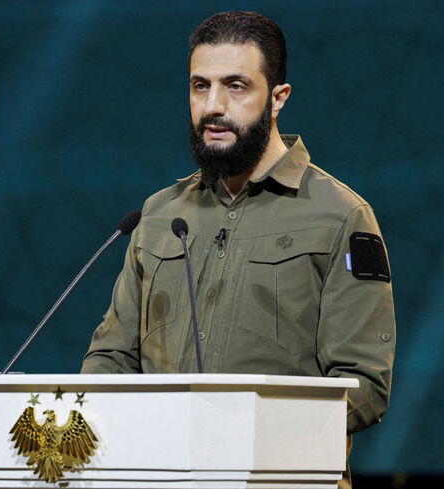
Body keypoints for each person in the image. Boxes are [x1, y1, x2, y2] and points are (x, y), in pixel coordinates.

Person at [80, 11, 395, 489]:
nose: (213, 106)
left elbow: (364, 387)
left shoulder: (342, 217)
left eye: (236, 86)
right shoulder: (158, 214)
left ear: (277, 99)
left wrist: (235, 434)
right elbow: (111, 360)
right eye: (199, 86)